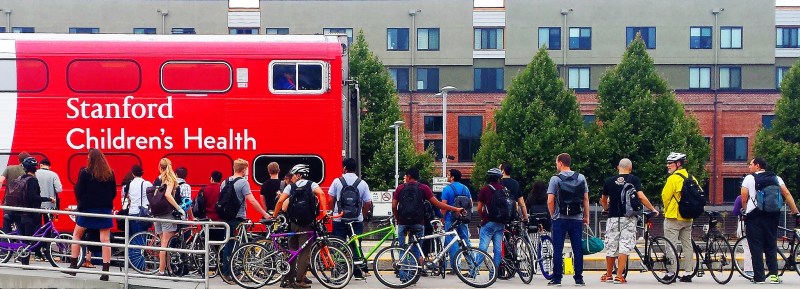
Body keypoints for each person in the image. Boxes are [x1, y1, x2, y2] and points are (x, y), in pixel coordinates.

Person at [392, 167, 463, 279]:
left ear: (409, 176)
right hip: (418, 223)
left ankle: (403, 276)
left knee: (403, 248)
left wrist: (398, 219)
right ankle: (413, 276)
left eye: (405, 176)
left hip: (403, 222)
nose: (405, 178)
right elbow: (438, 204)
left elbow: (393, 205)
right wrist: (456, 209)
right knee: (416, 249)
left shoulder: (400, 188)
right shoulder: (423, 188)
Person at [599, 158, 659, 284]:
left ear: (618, 167)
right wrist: (652, 209)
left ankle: (609, 275)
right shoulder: (633, 179)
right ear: (630, 168)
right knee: (624, 246)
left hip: (613, 218)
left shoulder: (609, 181)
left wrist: (606, 209)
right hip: (629, 218)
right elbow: (641, 197)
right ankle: (619, 276)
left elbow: (603, 200)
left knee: (611, 246)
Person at [741, 157, 799, 284]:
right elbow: (787, 193)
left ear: (757, 165)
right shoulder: (776, 178)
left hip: (754, 216)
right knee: (771, 245)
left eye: (751, 164)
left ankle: (759, 277)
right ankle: (774, 276)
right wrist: (795, 210)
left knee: (755, 247)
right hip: (772, 215)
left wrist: (745, 210)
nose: (749, 167)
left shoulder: (749, 178)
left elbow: (744, 197)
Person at [66, 148, 116, 281]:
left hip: (87, 210)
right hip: (104, 210)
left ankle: (73, 266)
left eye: (88, 157)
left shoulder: (85, 173)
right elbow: (113, 193)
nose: (87, 159)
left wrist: (82, 203)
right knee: (105, 240)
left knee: (77, 235)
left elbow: (79, 190)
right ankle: (105, 271)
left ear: (91, 158)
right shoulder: (110, 173)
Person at [274, 164, 327, 288]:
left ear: (299, 175)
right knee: (304, 253)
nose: (292, 177)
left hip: (294, 223)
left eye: (293, 175)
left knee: (292, 251)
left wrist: (274, 215)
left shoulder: (290, 187)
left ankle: (288, 279)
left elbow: (280, 201)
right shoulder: (312, 185)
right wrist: (324, 212)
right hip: (307, 224)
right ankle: (299, 281)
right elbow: (322, 194)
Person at [220, 159, 271, 279]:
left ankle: (227, 271)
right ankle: (239, 272)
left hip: (226, 218)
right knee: (242, 245)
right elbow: (252, 200)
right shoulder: (243, 182)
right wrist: (265, 214)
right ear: (243, 170)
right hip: (238, 218)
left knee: (228, 244)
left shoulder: (224, 182)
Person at [547, 153, 589, 286]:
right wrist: (586, 216)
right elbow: (586, 199)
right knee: (577, 248)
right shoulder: (581, 177)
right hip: (576, 218)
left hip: (560, 219)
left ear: (560, 163)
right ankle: (578, 278)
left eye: (556, 163)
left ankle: (557, 278)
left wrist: (553, 214)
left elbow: (550, 200)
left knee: (558, 248)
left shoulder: (555, 179)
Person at [327, 158, 372, 279]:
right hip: (356, 220)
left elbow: (330, 199)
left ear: (344, 168)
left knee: (338, 245)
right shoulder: (362, 183)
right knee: (355, 245)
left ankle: (338, 271)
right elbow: (368, 202)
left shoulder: (337, 181)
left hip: (339, 219)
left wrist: (331, 212)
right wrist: (361, 214)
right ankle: (357, 272)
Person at [7, 157, 53, 265]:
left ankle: (24, 262)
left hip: (19, 212)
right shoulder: (32, 180)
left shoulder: (21, 178)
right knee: (28, 240)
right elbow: (33, 197)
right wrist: (48, 199)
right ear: (35, 168)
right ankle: (25, 264)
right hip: (29, 214)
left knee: (24, 240)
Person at [661, 152, 698, 282]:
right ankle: (688, 273)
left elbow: (665, 196)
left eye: (670, 163)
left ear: (678, 164)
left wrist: (666, 210)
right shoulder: (691, 177)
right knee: (687, 245)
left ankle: (672, 273)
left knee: (670, 244)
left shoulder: (673, 179)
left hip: (673, 217)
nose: (668, 166)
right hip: (688, 218)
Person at [152, 158, 185, 276]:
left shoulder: (157, 179)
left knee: (163, 242)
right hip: (167, 214)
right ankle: (162, 270)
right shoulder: (170, 179)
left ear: (160, 167)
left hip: (157, 214)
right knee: (166, 243)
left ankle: (168, 268)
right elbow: (167, 194)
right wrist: (178, 208)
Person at [474, 168, 509, 274]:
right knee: (497, 250)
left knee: (483, 248)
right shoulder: (504, 189)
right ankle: (493, 273)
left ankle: (473, 271)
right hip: (500, 223)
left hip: (488, 222)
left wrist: (483, 216)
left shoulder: (485, 189)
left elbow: (479, 208)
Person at [440, 169, 472, 273]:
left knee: (452, 243)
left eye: (448, 175)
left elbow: (444, 206)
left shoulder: (447, 189)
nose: (447, 176)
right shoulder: (465, 188)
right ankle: (473, 266)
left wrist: (442, 218)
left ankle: (456, 268)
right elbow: (470, 203)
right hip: (462, 219)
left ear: (452, 177)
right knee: (465, 242)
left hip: (450, 219)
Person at [1, 152, 31, 230]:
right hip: (22, 204)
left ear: (18, 159)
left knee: (7, 223)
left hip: (9, 202)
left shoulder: (9, 168)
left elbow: (1, 181)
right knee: (21, 227)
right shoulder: (29, 171)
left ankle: (7, 240)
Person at [125, 165, 152, 237]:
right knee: (142, 237)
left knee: (133, 238)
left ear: (133, 174)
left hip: (132, 212)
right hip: (142, 214)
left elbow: (129, 197)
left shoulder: (130, 184)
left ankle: (132, 249)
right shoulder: (147, 183)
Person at [732, 194, 752, 278]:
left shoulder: (740, 197)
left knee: (747, 247)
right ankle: (756, 268)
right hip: (757, 225)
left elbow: (735, 211)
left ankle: (748, 270)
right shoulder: (758, 197)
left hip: (744, 224)